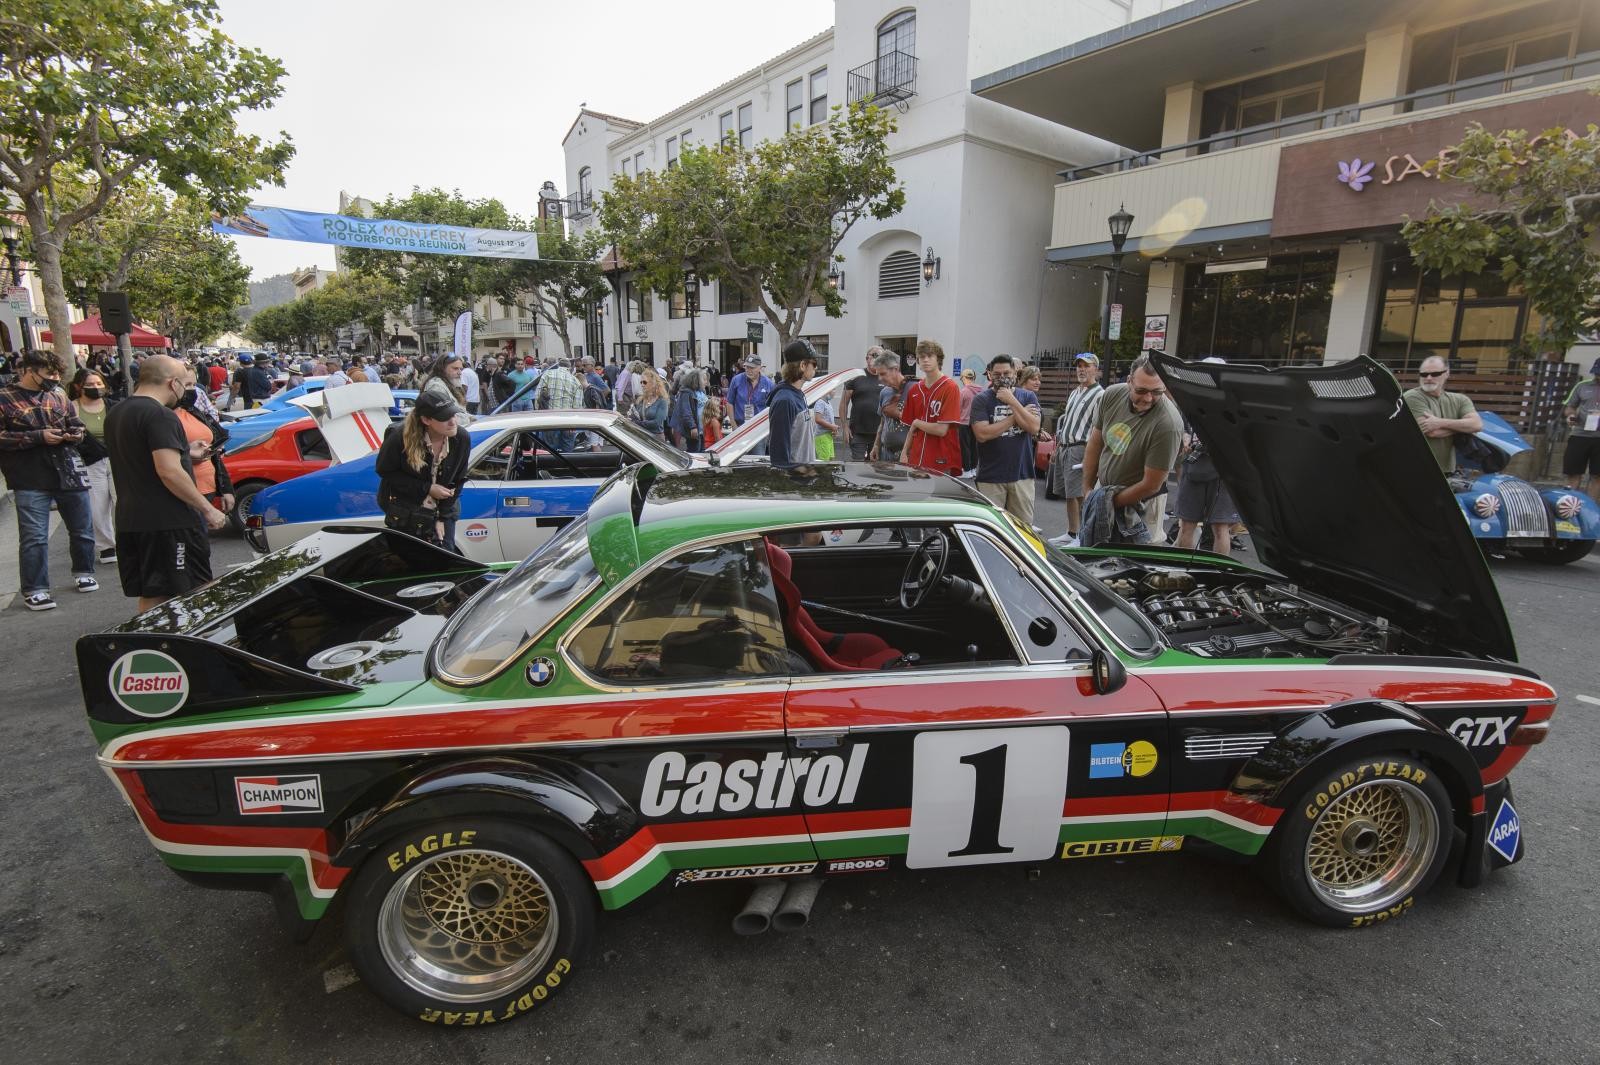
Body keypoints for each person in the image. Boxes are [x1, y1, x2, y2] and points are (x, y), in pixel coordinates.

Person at [103, 355, 228, 614]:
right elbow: (168, 471)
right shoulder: (160, 415)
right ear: (173, 383)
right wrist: (207, 508)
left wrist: (185, 451)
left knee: (153, 595)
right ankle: (193, 649)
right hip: (171, 523)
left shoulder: (117, 412)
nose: (186, 391)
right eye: (185, 384)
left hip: (133, 520)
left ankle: (152, 647)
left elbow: (142, 455)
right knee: (195, 590)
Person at [0, 351, 98, 610]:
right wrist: (39, 436)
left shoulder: (58, 396)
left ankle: (84, 572)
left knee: (82, 528)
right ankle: (35, 588)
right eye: (49, 373)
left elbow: (76, 424)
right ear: (29, 371)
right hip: (29, 476)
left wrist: (74, 433)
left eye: (57, 374)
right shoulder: (4, 398)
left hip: (68, 469)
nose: (54, 378)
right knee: (34, 536)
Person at [1080, 354, 1182, 548]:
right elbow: (1095, 444)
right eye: (1141, 390)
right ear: (1129, 381)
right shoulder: (1111, 395)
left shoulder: (1168, 423)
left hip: (1143, 503)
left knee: (1136, 563)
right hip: (1105, 491)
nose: (1148, 398)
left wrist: (1107, 502)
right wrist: (1087, 490)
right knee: (1096, 558)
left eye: (1157, 392)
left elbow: (1151, 485)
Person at [375, 391, 471, 551]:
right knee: (410, 561)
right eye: (444, 418)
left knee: (444, 558)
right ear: (426, 420)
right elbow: (385, 471)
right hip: (406, 510)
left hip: (443, 510)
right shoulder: (399, 437)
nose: (453, 422)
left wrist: (442, 518)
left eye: (454, 415)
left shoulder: (462, 438)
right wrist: (427, 488)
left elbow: (459, 479)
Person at [1171, 359, 1238, 554]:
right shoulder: (1188, 396)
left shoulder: (1230, 400)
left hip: (1221, 472)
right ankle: (1183, 573)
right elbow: (1180, 424)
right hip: (1193, 467)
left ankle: (1219, 574)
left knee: (1220, 528)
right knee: (1187, 525)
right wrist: (1184, 437)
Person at [969, 354, 1042, 523]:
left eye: (1007, 374)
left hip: (1022, 476)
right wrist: (1015, 418)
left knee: (1023, 530)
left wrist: (1012, 401)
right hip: (990, 478)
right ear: (990, 374)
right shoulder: (981, 400)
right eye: (997, 374)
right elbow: (982, 434)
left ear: (1015, 374)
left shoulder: (1028, 397)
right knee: (992, 528)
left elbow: (1033, 427)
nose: (1002, 378)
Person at [1050, 353, 1104, 547]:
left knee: (1080, 494)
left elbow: (1100, 427)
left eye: (1086, 366)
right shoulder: (1075, 392)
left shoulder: (1100, 394)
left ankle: (1082, 535)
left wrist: (1092, 455)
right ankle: (1072, 532)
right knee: (1069, 494)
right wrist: (1057, 447)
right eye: (1079, 366)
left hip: (1081, 448)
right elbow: (1069, 422)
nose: (1081, 369)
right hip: (1066, 447)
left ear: (1096, 370)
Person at [69, 369, 119, 564]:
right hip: (89, 462)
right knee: (97, 505)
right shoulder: (72, 408)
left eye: (99, 384)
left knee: (123, 500)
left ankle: (130, 541)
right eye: (90, 385)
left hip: (116, 459)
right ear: (78, 387)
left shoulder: (113, 406)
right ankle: (106, 547)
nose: (95, 388)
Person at [1403, 356, 1482, 475]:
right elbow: (1432, 432)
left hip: (1448, 470)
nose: (1428, 378)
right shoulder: (1412, 396)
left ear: (1447, 373)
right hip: (1417, 470)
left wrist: (1440, 422)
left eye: (1435, 374)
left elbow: (1477, 425)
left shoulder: (1460, 399)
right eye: (1424, 374)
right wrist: (1462, 428)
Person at [899, 339, 963, 474]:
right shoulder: (914, 390)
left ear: (938, 359)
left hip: (941, 458)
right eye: (922, 357)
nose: (925, 360)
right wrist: (904, 452)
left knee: (938, 495)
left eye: (930, 356)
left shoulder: (950, 387)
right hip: (917, 458)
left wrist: (917, 422)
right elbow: (911, 429)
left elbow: (941, 430)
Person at [174, 376, 234, 518]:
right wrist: (188, 453)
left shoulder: (193, 411)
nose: (193, 390)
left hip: (207, 488)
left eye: (194, 384)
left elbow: (215, 453)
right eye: (187, 384)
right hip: (187, 494)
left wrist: (225, 488)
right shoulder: (164, 416)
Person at [768, 340, 820, 468]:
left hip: (804, 474)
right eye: (814, 363)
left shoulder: (798, 394)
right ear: (802, 365)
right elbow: (779, 458)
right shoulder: (785, 401)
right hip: (795, 480)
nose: (816, 367)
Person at [1561, 356, 1600, 504]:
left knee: (1597, 476)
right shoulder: (1582, 386)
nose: (1598, 377)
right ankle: (1570, 507)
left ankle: (1591, 509)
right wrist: (1571, 416)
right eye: (1597, 373)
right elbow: (1570, 406)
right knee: (1573, 472)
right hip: (1580, 435)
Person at [840, 347, 884, 460]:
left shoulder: (885, 378)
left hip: (879, 433)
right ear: (866, 358)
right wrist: (844, 426)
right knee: (858, 466)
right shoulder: (856, 377)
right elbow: (843, 403)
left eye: (879, 356)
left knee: (874, 469)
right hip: (858, 432)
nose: (876, 359)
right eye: (873, 355)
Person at [868, 350, 910, 462]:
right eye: (878, 375)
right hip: (886, 454)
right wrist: (876, 445)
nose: (880, 379)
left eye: (883, 374)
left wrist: (898, 414)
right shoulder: (884, 392)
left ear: (895, 369)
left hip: (907, 455)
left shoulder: (914, 389)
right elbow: (882, 422)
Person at [421, 353, 473, 427]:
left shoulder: (448, 384)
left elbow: (458, 411)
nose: (460, 373)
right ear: (442, 368)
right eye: (455, 368)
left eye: (461, 369)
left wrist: (472, 417)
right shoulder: (436, 386)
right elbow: (444, 417)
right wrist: (468, 419)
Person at [726, 356, 773, 429]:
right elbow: (729, 403)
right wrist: (734, 425)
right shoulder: (736, 380)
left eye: (752, 368)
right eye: (747, 367)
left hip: (760, 427)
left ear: (759, 368)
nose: (749, 370)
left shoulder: (768, 384)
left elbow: (772, 407)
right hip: (740, 426)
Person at [957, 366, 984, 473]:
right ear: (973, 378)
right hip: (977, 422)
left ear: (964, 378)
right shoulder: (982, 391)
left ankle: (966, 470)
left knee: (965, 447)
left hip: (964, 423)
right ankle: (973, 469)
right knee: (974, 446)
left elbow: (958, 409)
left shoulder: (963, 391)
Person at [669, 369, 704, 451]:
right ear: (697, 380)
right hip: (692, 428)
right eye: (702, 378)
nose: (704, 380)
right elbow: (686, 411)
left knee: (699, 450)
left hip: (700, 428)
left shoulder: (698, 391)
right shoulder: (686, 392)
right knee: (694, 450)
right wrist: (693, 426)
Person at [633, 367, 669, 440]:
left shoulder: (662, 401)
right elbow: (634, 416)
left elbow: (656, 423)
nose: (642, 385)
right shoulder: (641, 399)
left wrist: (637, 423)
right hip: (641, 436)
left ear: (653, 383)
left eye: (645, 382)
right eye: (641, 382)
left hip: (656, 438)